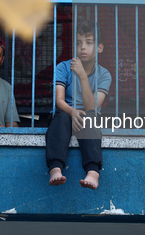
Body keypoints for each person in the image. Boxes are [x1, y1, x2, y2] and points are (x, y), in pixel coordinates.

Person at [46, 20, 112, 190]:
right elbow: (59, 100)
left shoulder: (104, 74)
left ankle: (93, 172)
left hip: (87, 116)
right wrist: (72, 112)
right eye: (79, 43)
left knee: (90, 118)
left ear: (100, 48)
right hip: (66, 113)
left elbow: (92, 107)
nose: (83, 47)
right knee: (60, 119)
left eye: (89, 43)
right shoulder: (63, 67)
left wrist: (83, 76)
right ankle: (55, 168)